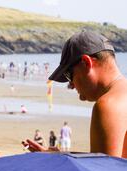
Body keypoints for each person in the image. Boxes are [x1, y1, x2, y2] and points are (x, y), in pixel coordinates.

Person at [23, 30, 127, 158]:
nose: (71, 85)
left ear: (86, 63)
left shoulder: (109, 105)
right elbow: (113, 161)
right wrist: (61, 155)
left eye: (69, 75)